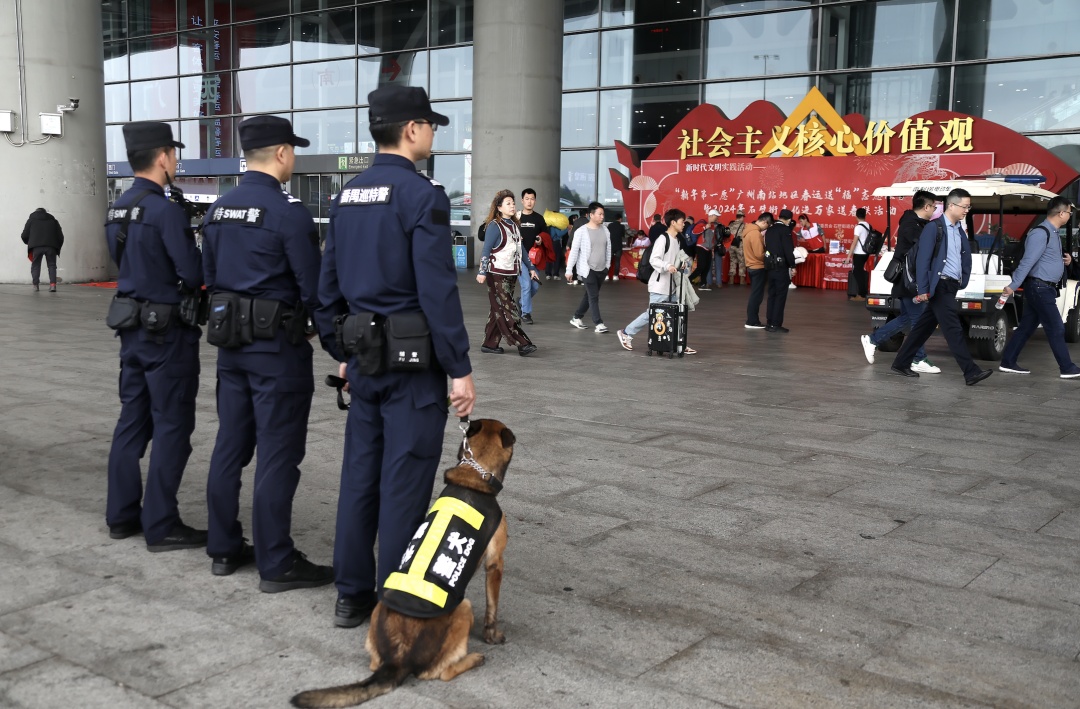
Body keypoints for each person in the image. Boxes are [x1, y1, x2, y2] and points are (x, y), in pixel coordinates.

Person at [316, 85, 476, 628]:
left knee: (360, 474)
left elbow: (328, 285)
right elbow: (437, 290)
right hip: (414, 366)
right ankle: (393, 601)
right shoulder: (421, 195)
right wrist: (459, 367)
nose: (432, 133)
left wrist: (341, 351)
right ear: (411, 129)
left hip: (364, 359)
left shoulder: (348, 194)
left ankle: (351, 595)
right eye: (430, 125)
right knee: (405, 480)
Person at [201, 115, 333, 591]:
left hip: (231, 349)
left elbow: (211, 277)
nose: (293, 158)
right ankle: (277, 562)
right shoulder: (287, 211)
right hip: (278, 352)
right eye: (292, 150)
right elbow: (313, 288)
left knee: (229, 447)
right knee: (278, 455)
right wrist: (337, 345)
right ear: (280, 153)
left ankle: (222, 547)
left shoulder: (219, 209)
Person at [103, 121, 205, 551]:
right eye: (174, 154)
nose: (175, 161)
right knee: (171, 426)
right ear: (162, 157)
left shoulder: (117, 208)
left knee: (132, 421)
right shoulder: (164, 211)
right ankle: (161, 523)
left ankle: (121, 515)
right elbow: (192, 272)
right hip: (167, 333)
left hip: (131, 329)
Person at [890, 188, 993, 385]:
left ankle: (902, 362)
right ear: (952, 205)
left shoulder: (959, 230)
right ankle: (970, 371)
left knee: (923, 327)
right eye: (964, 206)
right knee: (953, 328)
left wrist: (962, 277)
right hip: (940, 285)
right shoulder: (934, 228)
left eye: (968, 207)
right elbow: (923, 260)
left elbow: (963, 256)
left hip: (951, 284)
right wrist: (923, 290)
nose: (966, 211)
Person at [860, 191, 941, 374]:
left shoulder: (918, 223)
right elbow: (921, 246)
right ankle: (918, 358)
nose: (935, 210)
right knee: (917, 320)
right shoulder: (910, 224)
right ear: (926, 207)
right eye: (934, 207)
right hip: (908, 280)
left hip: (910, 279)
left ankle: (873, 340)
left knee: (907, 318)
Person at [999, 197, 1080, 378]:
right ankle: (1066, 367)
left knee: (1027, 327)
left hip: (1044, 288)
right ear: (1061, 213)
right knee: (1056, 327)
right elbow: (1028, 262)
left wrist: (1065, 262)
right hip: (1039, 288)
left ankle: (1008, 361)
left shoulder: (1052, 232)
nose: (1069, 215)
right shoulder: (1041, 233)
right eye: (1069, 212)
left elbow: (1044, 260)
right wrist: (1013, 285)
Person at [616, 208, 696, 355]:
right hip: (659, 285)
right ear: (673, 222)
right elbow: (654, 260)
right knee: (652, 314)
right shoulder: (662, 239)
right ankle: (626, 332)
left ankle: (679, 343)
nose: (684, 224)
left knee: (677, 313)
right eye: (681, 221)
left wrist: (680, 264)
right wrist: (667, 266)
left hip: (671, 284)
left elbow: (675, 259)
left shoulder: (677, 240)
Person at [477, 189, 539, 356]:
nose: (512, 206)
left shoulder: (514, 225)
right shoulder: (494, 226)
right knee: (508, 308)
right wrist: (482, 271)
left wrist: (531, 268)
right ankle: (523, 343)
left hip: (511, 274)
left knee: (497, 308)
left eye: (513, 203)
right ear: (499, 207)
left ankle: (490, 344)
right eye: (508, 203)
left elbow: (522, 251)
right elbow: (486, 250)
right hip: (496, 273)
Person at [566, 202, 612, 333]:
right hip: (588, 269)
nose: (602, 216)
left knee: (589, 295)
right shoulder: (581, 231)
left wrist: (607, 266)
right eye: (599, 214)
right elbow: (574, 251)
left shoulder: (605, 230)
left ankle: (577, 317)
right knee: (593, 296)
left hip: (602, 269)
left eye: (603, 214)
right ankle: (599, 323)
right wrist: (569, 270)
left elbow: (608, 249)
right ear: (591, 215)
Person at [763, 209, 797, 332]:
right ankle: (776, 324)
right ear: (789, 220)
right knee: (780, 295)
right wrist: (792, 265)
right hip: (781, 267)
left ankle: (769, 322)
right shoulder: (785, 231)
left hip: (770, 266)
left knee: (771, 295)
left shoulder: (770, 229)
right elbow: (788, 251)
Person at [516, 188, 546, 322]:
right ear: (522, 201)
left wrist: (541, 239)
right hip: (519, 258)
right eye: (527, 199)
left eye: (532, 199)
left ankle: (521, 301)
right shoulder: (516, 217)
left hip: (534, 258)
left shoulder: (539, 219)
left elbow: (546, 235)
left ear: (535, 201)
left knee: (535, 286)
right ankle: (525, 313)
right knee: (526, 284)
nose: (529, 202)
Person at [21, 207, 64, 292]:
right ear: (46, 213)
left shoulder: (31, 220)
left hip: (36, 247)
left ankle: (35, 285)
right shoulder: (53, 221)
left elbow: (24, 235)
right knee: (52, 265)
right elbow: (60, 236)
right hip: (51, 247)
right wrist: (57, 246)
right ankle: (53, 286)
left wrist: (30, 243)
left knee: (36, 265)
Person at [743, 212, 771, 328]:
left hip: (751, 266)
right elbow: (759, 254)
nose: (766, 229)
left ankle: (752, 320)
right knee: (756, 295)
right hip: (758, 266)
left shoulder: (748, 230)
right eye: (767, 226)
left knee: (755, 294)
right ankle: (752, 321)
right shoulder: (755, 233)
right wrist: (768, 255)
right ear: (764, 222)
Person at [844, 208, 872, 300]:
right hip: (866, 253)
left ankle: (861, 295)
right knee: (860, 272)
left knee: (857, 272)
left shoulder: (858, 227)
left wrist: (848, 257)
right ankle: (863, 293)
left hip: (859, 253)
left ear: (856, 216)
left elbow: (854, 242)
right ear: (865, 216)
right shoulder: (868, 225)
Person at [690, 209, 720, 289]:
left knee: (707, 267)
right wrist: (704, 227)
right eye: (716, 216)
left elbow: (713, 238)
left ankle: (703, 283)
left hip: (709, 248)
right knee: (701, 267)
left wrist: (712, 248)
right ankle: (688, 280)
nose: (717, 218)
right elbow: (694, 232)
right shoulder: (703, 222)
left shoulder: (713, 225)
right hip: (701, 247)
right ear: (712, 216)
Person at [727, 210, 747, 285]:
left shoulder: (731, 225)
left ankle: (731, 279)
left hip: (731, 245)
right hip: (740, 245)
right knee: (742, 262)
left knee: (733, 261)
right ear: (742, 217)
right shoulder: (744, 225)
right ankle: (742, 280)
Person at [607, 213, 626, 280]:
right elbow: (623, 235)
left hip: (610, 246)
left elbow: (607, 235)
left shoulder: (610, 225)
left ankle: (606, 275)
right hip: (618, 246)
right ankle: (615, 276)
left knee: (608, 261)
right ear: (620, 219)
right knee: (617, 261)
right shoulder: (622, 226)